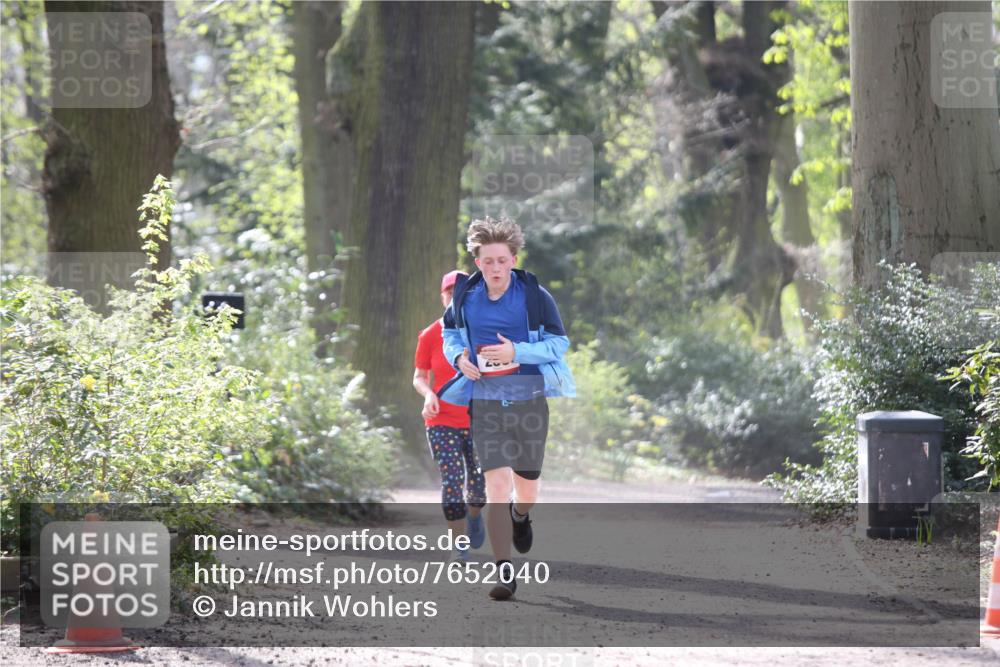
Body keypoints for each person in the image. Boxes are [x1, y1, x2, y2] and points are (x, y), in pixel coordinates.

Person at [438, 217, 576, 599]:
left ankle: (521, 514)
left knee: (526, 488)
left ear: (513, 260)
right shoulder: (465, 296)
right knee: (497, 487)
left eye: (502, 260)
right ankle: (504, 572)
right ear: (477, 262)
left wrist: (517, 351)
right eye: (488, 261)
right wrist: (459, 358)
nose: (495, 268)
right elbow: (449, 334)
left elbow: (559, 344)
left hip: (529, 401)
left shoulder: (534, 296)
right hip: (485, 402)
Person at [413, 270, 487, 563]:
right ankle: (459, 545)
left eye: (462, 292)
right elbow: (419, 376)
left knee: (479, 484)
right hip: (441, 419)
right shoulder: (429, 335)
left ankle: (474, 516)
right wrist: (428, 395)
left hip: (479, 419)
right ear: (442, 297)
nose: (455, 297)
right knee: (452, 480)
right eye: (449, 293)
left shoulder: (484, 331)